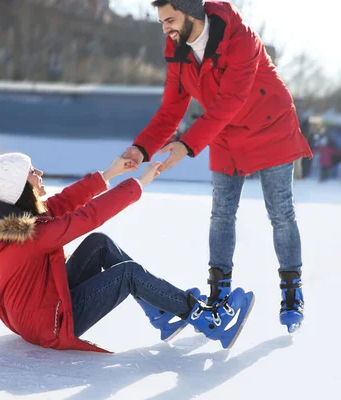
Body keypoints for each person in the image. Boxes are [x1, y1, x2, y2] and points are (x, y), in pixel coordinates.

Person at [121, 0, 312, 333]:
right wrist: (141, 148)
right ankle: (218, 294)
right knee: (222, 212)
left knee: (280, 211)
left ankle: (292, 291)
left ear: (191, 13)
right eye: (161, 22)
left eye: (169, 20)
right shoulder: (177, 49)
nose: (165, 28)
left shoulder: (241, 39)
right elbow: (170, 110)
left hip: (271, 127)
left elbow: (230, 102)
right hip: (223, 133)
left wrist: (186, 145)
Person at [0, 151, 254, 351]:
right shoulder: (29, 235)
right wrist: (138, 184)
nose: (40, 174)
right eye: (32, 172)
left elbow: (64, 202)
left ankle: (161, 313)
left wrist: (111, 172)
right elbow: (87, 216)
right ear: (18, 187)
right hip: (48, 323)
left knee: (98, 244)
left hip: (37, 307)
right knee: (127, 273)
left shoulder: (15, 221)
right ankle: (208, 321)